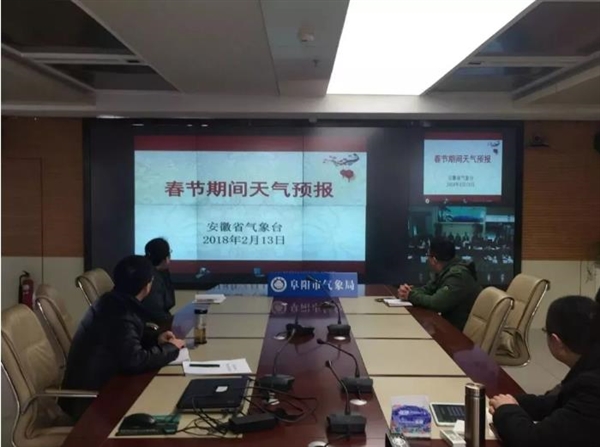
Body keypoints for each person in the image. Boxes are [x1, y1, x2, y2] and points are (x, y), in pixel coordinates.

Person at [60, 255, 185, 421]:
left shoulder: (113, 302)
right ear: (147, 286)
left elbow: (123, 340)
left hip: (101, 386)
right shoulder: (120, 314)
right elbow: (135, 360)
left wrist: (156, 339)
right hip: (93, 402)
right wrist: (171, 348)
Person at [490, 295, 600, 447]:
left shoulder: (593, 387)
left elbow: (532, 441)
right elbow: (562, 402)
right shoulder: (590, 368)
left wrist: (507, 410)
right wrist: (516, 402)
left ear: (556, 341)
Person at [398, 237, 481, 330]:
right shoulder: (445, 271)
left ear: (434, 260)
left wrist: (410, 295)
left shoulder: (457, 275)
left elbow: (436, 303)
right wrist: (409, 291)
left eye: (428, 255)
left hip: (458, 331)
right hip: (449, 325)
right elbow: (428, 289)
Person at [142, 237, 176, 326]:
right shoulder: (152, 278)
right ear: (166, 258)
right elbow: (155, 310)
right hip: (152, 326)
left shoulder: (157, 272)